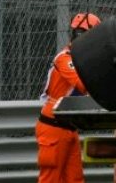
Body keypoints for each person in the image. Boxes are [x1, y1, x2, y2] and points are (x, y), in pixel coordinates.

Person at [37, 12, 102, 183]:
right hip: (54, 127)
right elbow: (83, 84)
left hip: (68, 126)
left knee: (75, 179)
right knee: (51, 179)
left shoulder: (82, 59)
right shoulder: (65, 58)